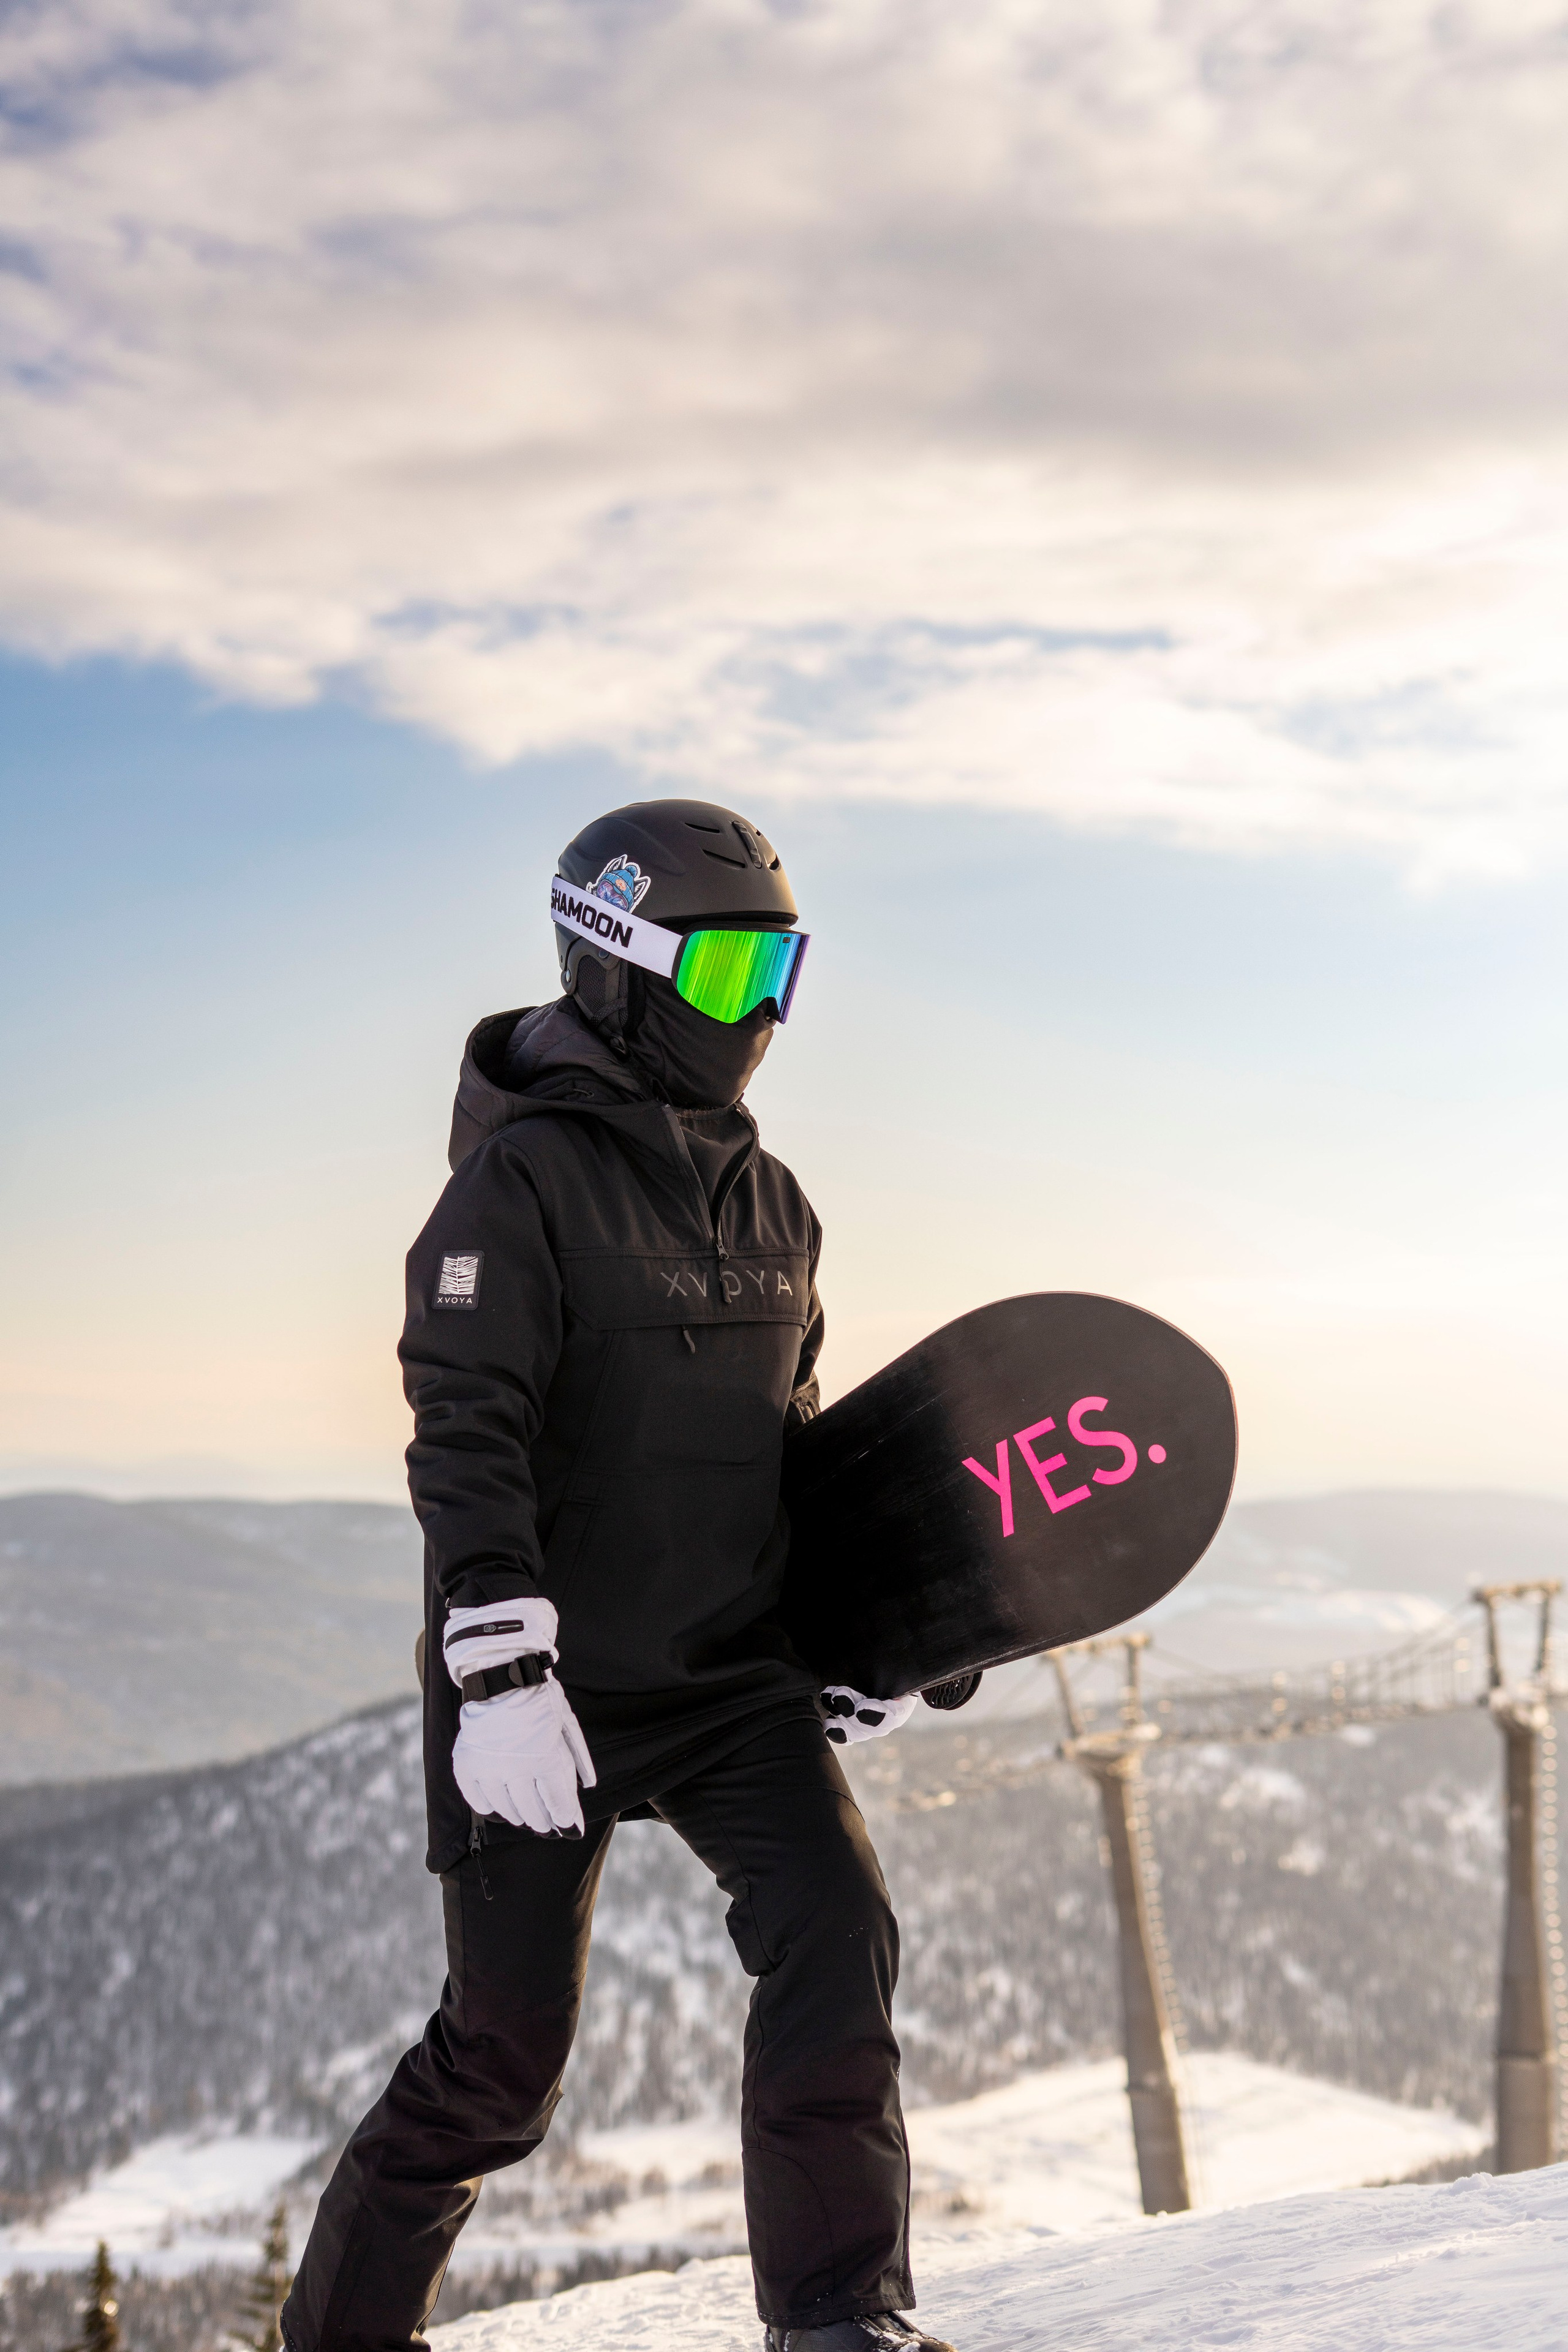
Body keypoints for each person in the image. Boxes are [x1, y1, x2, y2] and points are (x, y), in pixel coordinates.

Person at [281, 799, 951, 2352]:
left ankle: (840, 2317)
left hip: (727, 1678)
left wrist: (866, 1632)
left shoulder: (776, 1207)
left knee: (836, 1937)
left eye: (782, 977)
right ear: (620, 970)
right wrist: (500, 1675)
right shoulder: (513, 1192)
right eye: (729, 980)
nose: (762, 1019)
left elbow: (785, 1447)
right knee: (500, 2061)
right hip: (548, 1691)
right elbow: (467, 1430)